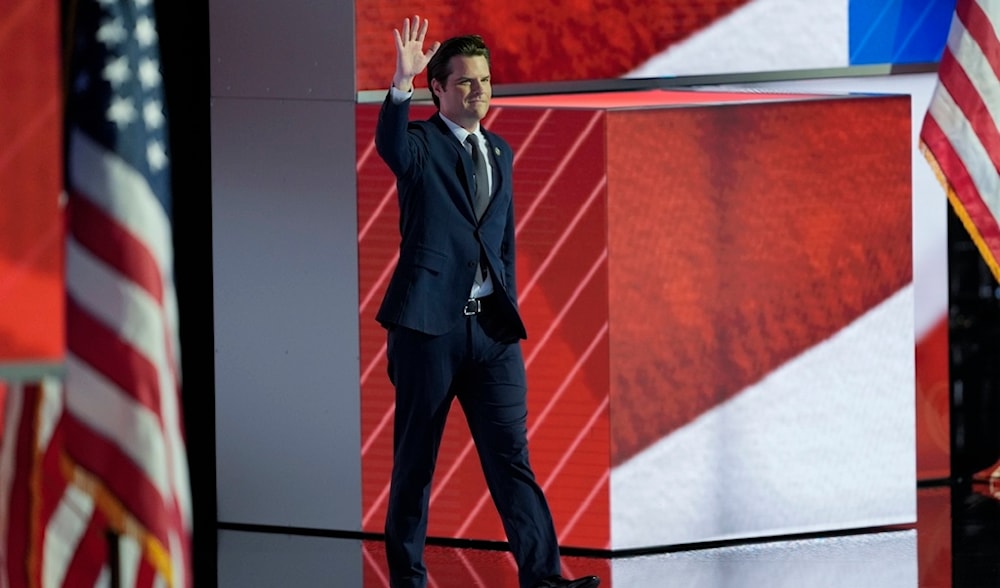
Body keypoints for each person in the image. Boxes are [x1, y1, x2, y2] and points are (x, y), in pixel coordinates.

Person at [374, 14, 601, 588]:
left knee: (511, 460)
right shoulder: (421, 144)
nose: (479, 91)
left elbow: (501, 244)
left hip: (491, 335)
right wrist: (399, 85)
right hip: (429, 330)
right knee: (415, 464)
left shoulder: (499, 150)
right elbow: (391, 146)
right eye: (466, 82)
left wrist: (509, 309)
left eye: (485, 80)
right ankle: (408, 580)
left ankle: (544, 578)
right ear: (439, 90)